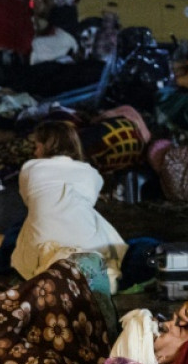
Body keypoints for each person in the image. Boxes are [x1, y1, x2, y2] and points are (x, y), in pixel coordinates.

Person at [10, 121, 128, 287]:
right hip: (89, 250)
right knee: (90, 214)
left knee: (27, 223)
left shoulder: (30, 168)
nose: (35, 152)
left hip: (38, 255)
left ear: (46, 146)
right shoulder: (92, 173)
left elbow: (29, 201)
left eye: (37, 146)